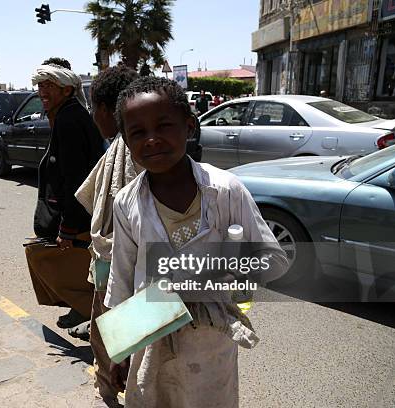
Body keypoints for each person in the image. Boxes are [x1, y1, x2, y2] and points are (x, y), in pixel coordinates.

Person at [105, 77, 289, 407]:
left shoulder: (226, 191)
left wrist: (220, 274)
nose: (151, 139)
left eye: (164, 125)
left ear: (189, 126)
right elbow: (122, 279)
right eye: (137, 132)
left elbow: (273, 258)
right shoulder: (126, 203)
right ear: (125, 141)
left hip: (211, 341)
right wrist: (117, 351)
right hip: (150, 335)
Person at [75, 65, 140, 408]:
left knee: (122, 345)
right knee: (108, 337)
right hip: (108, 262)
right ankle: (109, 387)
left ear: (105, 109)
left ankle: (114, 388)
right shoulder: (117, 146)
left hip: (124, 269)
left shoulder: (132, 150)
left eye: (92, 107)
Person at [24, 59, 105, 338]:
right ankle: (85, 311)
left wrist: (68, 228)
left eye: (50, 85)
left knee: (57, 263)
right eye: (40, 85)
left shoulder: (69, 120)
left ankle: (91, 314)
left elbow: (76, 180)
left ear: (68, 90)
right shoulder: (69, 115)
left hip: (80, 216)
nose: (42, 90)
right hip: (83, 213)